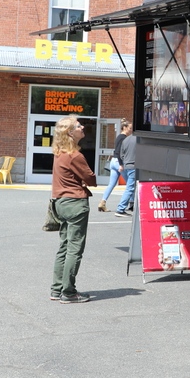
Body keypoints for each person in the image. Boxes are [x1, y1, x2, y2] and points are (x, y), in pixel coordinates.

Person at [49, 115, 97, 304]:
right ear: (70, 133)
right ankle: (68, 293)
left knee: (64, 247)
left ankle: (56, 289)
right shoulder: (75, 156)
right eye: (78, 126)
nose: (82, 127)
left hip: (60, 203)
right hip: (75, 204)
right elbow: (92, 180)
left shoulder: (59, 153)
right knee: (74, 249)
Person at [98, 120, 131, 212]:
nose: (131, 130)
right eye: (130, 128)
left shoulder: (119, 137)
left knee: (111, 184)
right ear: (124, 128)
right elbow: (120, 152)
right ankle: (130, 204)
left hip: (113, 161)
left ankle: (102, 202)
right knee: (130, 184)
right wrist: (121, 164)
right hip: (118, 162)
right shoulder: (123, 138)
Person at [114, 127, 138, 217]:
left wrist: (125, 162)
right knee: (130, 188)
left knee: (132, 187)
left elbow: (121, 154)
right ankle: (120, 209)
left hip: (127, 165)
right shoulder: (139, 139)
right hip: (134, 165)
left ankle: (134, 205)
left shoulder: (126, 139)